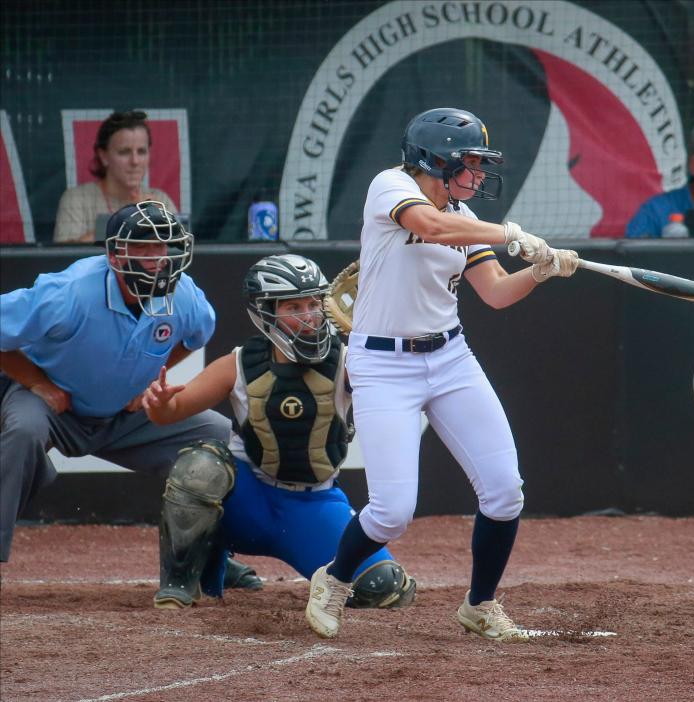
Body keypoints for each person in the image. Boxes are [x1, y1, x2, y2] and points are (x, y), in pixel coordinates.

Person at [302, 107, 579, 643]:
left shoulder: (464, 215)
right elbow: (427, 225)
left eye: (479, 164)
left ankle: (481, 604)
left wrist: (540, 271)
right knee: (392, 512)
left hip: (449, 358)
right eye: (468, 163)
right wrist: (510, 233)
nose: (476, 175)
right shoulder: (391, 185)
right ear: (433, 159)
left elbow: (496, 292)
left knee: (505, 493)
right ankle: (334, 578)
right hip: (383, 364)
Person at [0, 200, 261, 592]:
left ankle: (210, 557)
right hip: (55, 404)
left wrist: (145, 383)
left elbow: (195, 337)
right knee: (22, 431)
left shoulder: (183, 295)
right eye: (142, 247)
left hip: (126, 415)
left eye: (164, 247)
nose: (157, 259)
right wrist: (37, 382)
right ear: (113, 254)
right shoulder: (67, 293)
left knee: (220, 438)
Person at [140, 253, 417, 611]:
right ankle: (182, 582)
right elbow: (171, 412)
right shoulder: (239, 363)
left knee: (383, 589)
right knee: (200, 467)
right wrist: (160, 403)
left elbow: (397, 387)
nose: (308, 316)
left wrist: (381, 345)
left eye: (313, 304)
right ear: (265, 312)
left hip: (312, 504)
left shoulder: (349, 360)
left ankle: (220, 563)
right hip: (248, 500)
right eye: (293, 307)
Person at [54, 110, 176, 244]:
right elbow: (64, 257)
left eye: (141, 152)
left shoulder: (161, 201)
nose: (135, 161)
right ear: (104, 156)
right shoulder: (76, 200)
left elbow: (181, 252)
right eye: (124, 152)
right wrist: (128, 217)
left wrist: (158, 221)